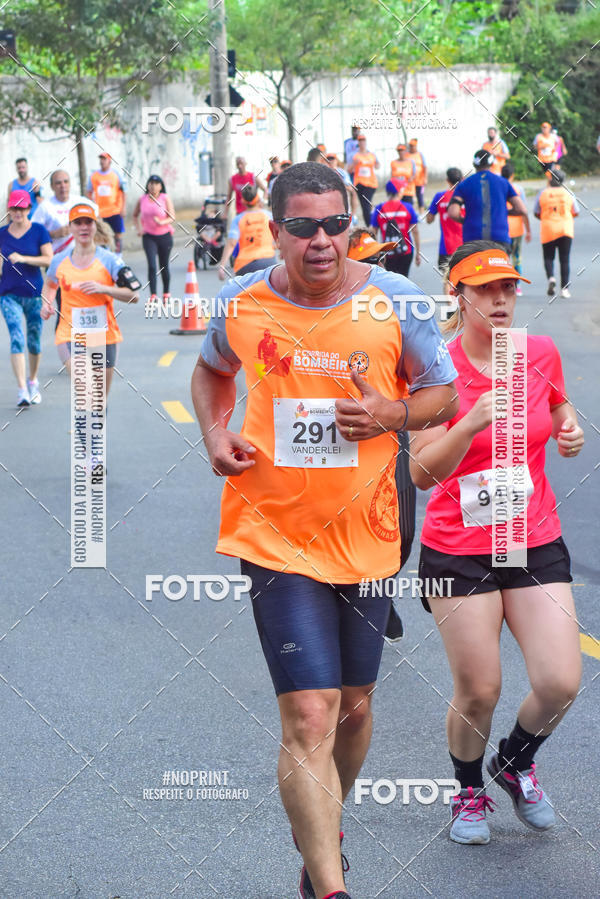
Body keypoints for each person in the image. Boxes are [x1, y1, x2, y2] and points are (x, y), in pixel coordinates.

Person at [191, 162, 458, 899]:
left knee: (354, 705)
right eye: (302, 226)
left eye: (335, 224)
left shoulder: (396, 302)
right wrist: (216, 435)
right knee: (310, 710)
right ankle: (330, 887)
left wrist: (391, 413)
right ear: (274, 230)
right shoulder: (242, 301)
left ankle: (325, 820)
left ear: (352, 226)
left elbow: (442, 393)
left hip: (368, 535)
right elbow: (212, 373)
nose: (321, 240)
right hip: (273, 530)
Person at [409, 240, 583, 846]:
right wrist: (472, 422)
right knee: (480, 689)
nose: (501, 298)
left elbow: (558, 409)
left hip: (532, 537)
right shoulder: (438, 367)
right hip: (457, 547)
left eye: (508, 287)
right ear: (458, 294)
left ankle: (513, 763)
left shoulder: (538, 353)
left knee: (561, 681)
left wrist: (569, 430)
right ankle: (466, 789)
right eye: (485, 288)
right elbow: (421, 472)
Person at [347, 227, 417, 643]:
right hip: (339, 438)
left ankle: (380, 590)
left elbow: (430, 378)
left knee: (402, 533)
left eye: (382, 260)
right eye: (370, 263)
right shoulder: (321, 312)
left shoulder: (398, 307)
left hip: (392, 431)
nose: (380, 269)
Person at [41, 202, 139, 390]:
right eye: (78, 223)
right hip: (70, 334)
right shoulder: (58, 260)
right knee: (85, 389)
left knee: (99, 400)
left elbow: (133, 296)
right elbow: (50, 284)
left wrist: (104, 289)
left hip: (103, 335)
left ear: (95, 226)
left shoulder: (110, 260)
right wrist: (46, 303)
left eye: (88, 222)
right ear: (70, 227)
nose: (83, 227)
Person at [0, 190, 52, 407]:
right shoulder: (2, 233)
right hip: (8, 294)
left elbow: (48, 259)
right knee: (17, 337)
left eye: (22, 208)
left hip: (34, 294)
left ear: (29, 209)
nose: (18, 212)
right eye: (14, 208)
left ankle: (33, 381)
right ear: (8, 209)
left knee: (33, 342)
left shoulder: (39, 231)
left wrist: (23, 258)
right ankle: (22, 390)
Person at [447, 149, 527, 251]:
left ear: (474, 164)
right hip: (499, 238)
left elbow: (453, 213)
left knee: (476, 267)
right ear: (492, 163)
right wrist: (503, 212)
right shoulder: (504, 183)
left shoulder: (464, 184)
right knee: (499, 266)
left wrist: (465, 220)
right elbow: (521, 209)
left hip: (472, 239)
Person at [533, 170, 579, 298]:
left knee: (548, 257)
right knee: (564, 260)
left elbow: (536, 212)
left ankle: (551, 278)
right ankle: (564, 290)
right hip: (565, 229)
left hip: (548, 229)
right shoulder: (568, 193)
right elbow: (576, 211)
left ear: (550, 180)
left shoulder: (543, 193)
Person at [218, 183, 276, 280]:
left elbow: (232, 243)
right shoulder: (269, 216)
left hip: (245, 264)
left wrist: (222, 266)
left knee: (243, 293)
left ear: (243, 202)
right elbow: (281, 236)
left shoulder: (239, 219)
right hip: (268, 261)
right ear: (258, 199)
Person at [133, 175, 175, 304]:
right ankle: (153, 295)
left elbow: (172, 217)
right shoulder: (142, 199)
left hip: (164, 236)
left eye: (156, 183)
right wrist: (139, 229)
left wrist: (162, 222)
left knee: (164, 266)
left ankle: (166, 293)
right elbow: (135, 215)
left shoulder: (165, 198)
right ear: (147, 185)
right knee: (152, 265)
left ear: (161, 186)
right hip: (148, 236)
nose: (153, 186)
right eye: (151, 183)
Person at [32, 169, 89, 254]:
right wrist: (53, 234)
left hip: (82, 257)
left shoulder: (82, 202)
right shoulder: (45, 206)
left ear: (70, 184)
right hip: (57, 259)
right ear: (52, 186)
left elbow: (98, 220)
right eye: (58, 183)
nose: (63, 186)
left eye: (66, 182)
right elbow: (33, 233)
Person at [372, 180, 420, 277]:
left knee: (391, 280)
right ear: (399, 191)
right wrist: (418, 254)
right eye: (402, 189)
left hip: (387, 252)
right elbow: (415, 231)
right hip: (406, 251)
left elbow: (373, 233)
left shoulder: (379, 208)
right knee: (404, 278)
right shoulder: (408, 207)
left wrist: (376, 255)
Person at [86, 152, 126, 253]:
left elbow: (124, 191)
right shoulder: (94, 176)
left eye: (104, 159)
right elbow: (88, 192)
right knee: (102, 235)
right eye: (101, 159)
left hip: (115, 210)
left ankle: (118, 256)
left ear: (109, 161)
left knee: (118, 234)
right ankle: (105, 255)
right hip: (100, 212)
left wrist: (123, 207)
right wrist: (92, 206)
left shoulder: (116, 174)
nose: (102, 161)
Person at [426, 167, 464, 273]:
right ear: (461, 178)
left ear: (447, 180)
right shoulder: (466, 195)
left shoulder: (440, 196)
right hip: (465, 246)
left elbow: (429, 220)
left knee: (447, 280)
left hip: (446, 247)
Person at [501, 163, 531, 295]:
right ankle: (517, 286)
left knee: (503, 259)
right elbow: (523, 211)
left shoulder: (498, 188)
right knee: (517, 257)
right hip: (517, 228)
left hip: (502, 229)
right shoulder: (518, 189)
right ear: (512, 175)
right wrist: (528, 229)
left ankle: (505, 285)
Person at [347, 134, 380, 226]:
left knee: (366, 204)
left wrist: (377, 164)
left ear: (366, 142)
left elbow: (378, 166)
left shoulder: (371, 154)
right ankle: (369, 224)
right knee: (364, 205)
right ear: (358, 143)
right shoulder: (354, 155)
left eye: (363, 140)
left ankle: (370, 225)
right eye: (360, 140)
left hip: (371, 183)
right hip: (359, 183)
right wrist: (354, 164)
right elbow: (349, 170)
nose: (362, 142)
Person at [407, 139, 427, 212]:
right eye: (410, 146)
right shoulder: (406, 155)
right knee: (410, 198)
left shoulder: (420, 155)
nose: (411, 147)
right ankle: (411, 213)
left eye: (413, 146)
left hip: (420, 181)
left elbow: (425, 167)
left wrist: (425, 178)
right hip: (410, 181)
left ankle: (421, 213)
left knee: (420, 196)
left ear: (416, 146)